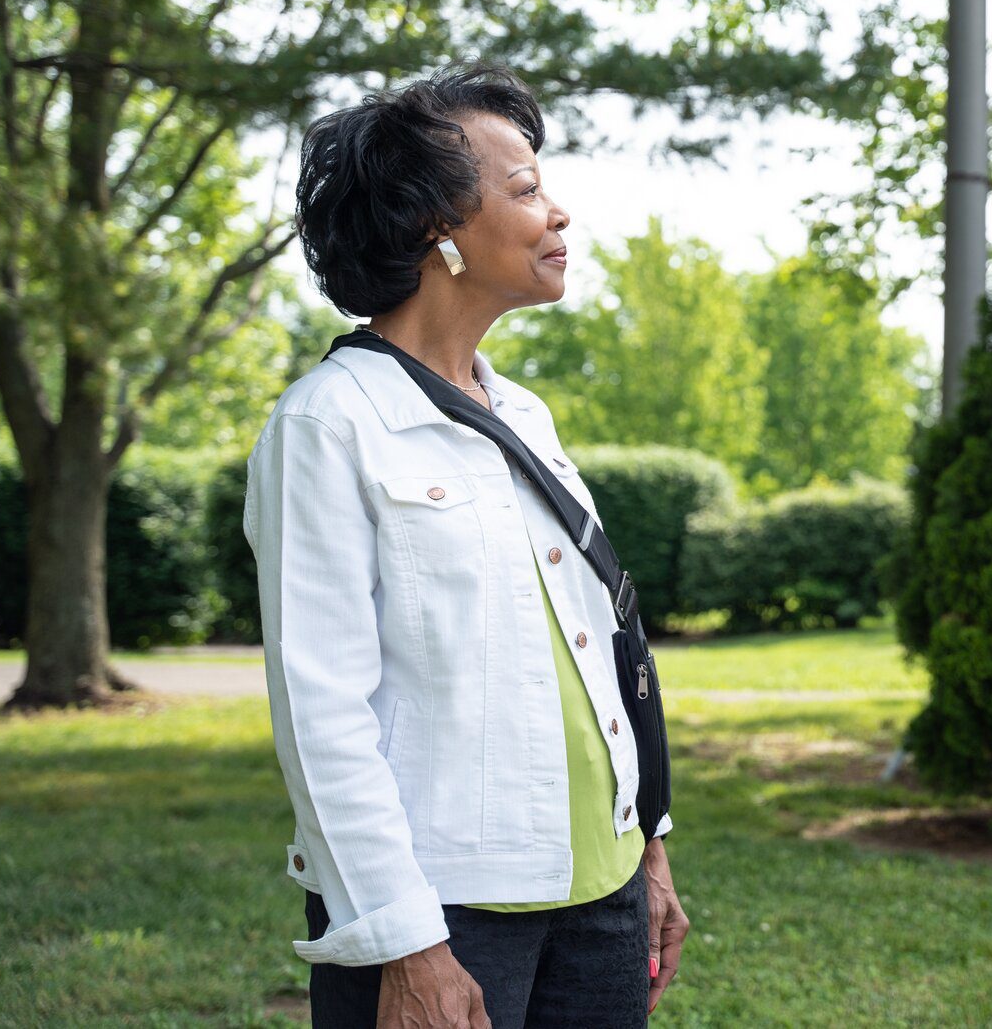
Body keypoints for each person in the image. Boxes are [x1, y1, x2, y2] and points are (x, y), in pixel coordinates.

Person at [243, 62, 690, 1028]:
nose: (559, 214)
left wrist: (647, 849)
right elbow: (321, 717)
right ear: (433, 227)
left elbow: (598, 649)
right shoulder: (329, 425)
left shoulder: (523, 411)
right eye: (525, 190)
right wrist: (408, 945)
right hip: (443, 911)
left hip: (600, 897)